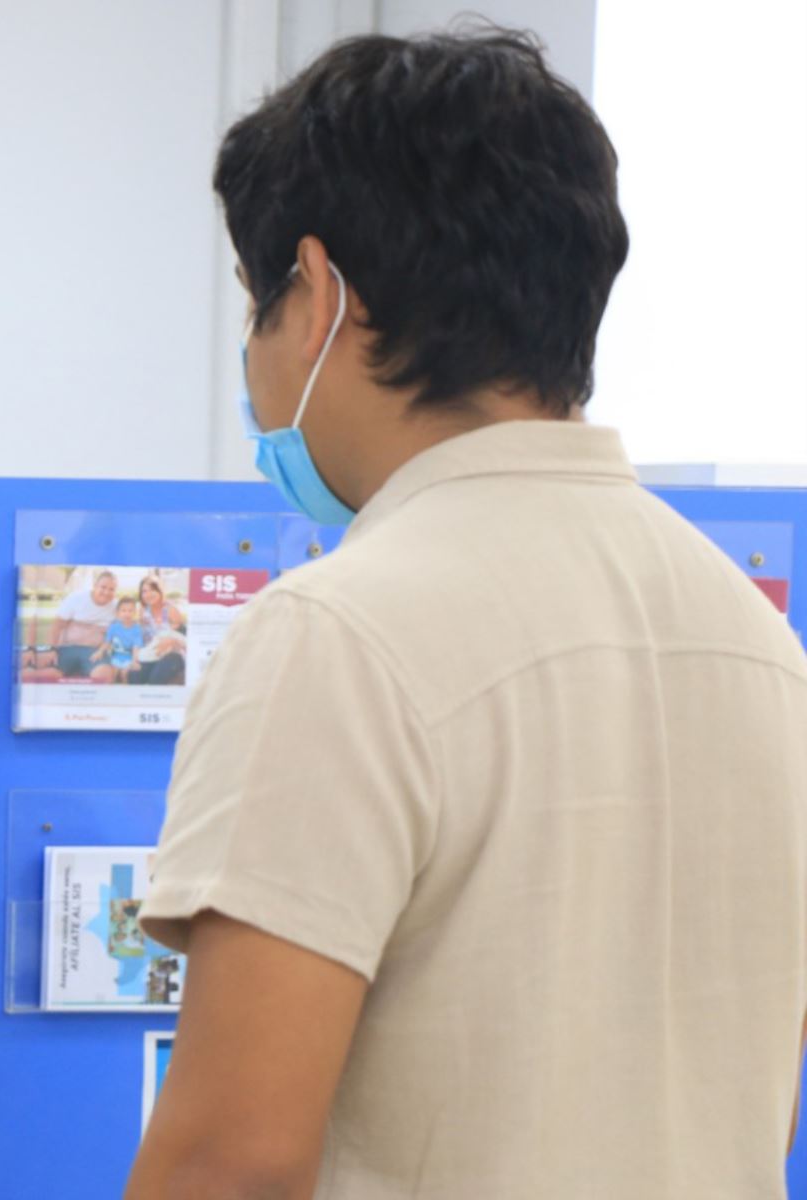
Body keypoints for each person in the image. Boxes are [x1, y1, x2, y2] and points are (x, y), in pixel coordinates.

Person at [126, 29, 807, 1200]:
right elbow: (760, 1097)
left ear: (320, 294)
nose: (255, 352)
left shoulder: (336, 637)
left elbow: (232, 1164)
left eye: (256, 303)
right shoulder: (758, 647)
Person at [50, 568, 119, 681]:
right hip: (68, 648)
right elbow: (57, 625)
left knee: (104, 675)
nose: (106, 592)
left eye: (111, 589)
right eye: (103, 587)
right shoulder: (76, 598)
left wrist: (102, 651)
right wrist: (52, 650)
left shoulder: (116, 607)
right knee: (50, 675)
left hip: (95, 652)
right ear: (95, 586)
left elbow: (115, 635)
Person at [131, 574, 186, 686]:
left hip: (172, 655)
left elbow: (185, 640)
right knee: (134, 675)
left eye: (152, 590)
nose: (148, 594)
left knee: (156, 678)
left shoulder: (171, 610)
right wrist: (135, 656)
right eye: (144, 591)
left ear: (160, 591)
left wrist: (172, 641)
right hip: (152, 653)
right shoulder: (143, 611)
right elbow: (139, 637)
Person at [93, 596, 148, 683]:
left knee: (124, 674)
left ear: (135, 613)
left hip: (129, 658)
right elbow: (107, 641)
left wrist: (135, 661)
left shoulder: (137, 628)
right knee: (112, 673)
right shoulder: (114, 626)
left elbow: (136, 647)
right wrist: (100, 651)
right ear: (118, 613)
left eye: (130, 611)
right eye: (123, 610)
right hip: (115, 657)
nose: (127, 613)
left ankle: (124, 688)